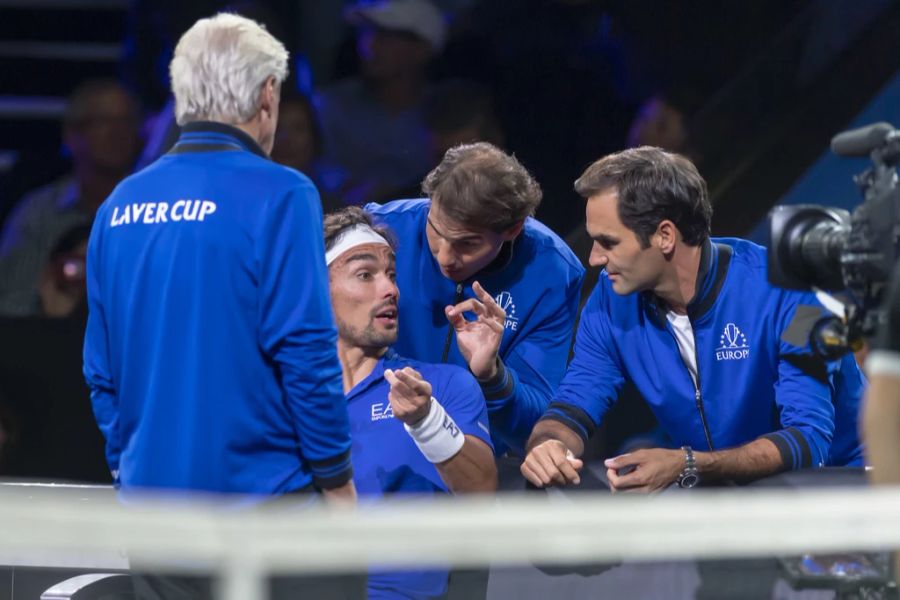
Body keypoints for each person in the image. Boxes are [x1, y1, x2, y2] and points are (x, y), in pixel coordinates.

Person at [522, 146, 865, 492]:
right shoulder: (609, 303)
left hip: (845, 485)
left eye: (607, 243)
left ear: (665, 236)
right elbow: (573, 405)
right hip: (727, 489)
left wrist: (688, 463)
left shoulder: (794, 287)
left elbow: (808, 443)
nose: (594, 258)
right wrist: (550, 444)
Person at [366, 142, 585, 456]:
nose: (445, 256)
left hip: (477, 463)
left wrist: (492, 377)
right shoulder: (379, 230)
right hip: (373, 442)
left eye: (467, 243)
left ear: (512, 229)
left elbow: (534, 431)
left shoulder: (553, 271)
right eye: (436, 232)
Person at [324, 206, 496, 598]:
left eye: (391, 275)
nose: (390, 290)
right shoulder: (278, 400)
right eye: (365, 275)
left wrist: (426, 421)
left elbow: (481, 494)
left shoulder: (441, 386)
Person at [0, 79, 141, 317]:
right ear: (71, 134)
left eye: (126, 121)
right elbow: (9, 304)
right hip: (48, 344)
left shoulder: (161, 208)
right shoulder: (40, 212)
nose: (117, 132)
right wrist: (48, 308)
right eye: (102, 122)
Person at [315, 0, 446, 205]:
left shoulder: (445, 111)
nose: (369, 45)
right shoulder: (329, 105)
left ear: (422, 48)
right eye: (365, 33)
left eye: (386, 36)